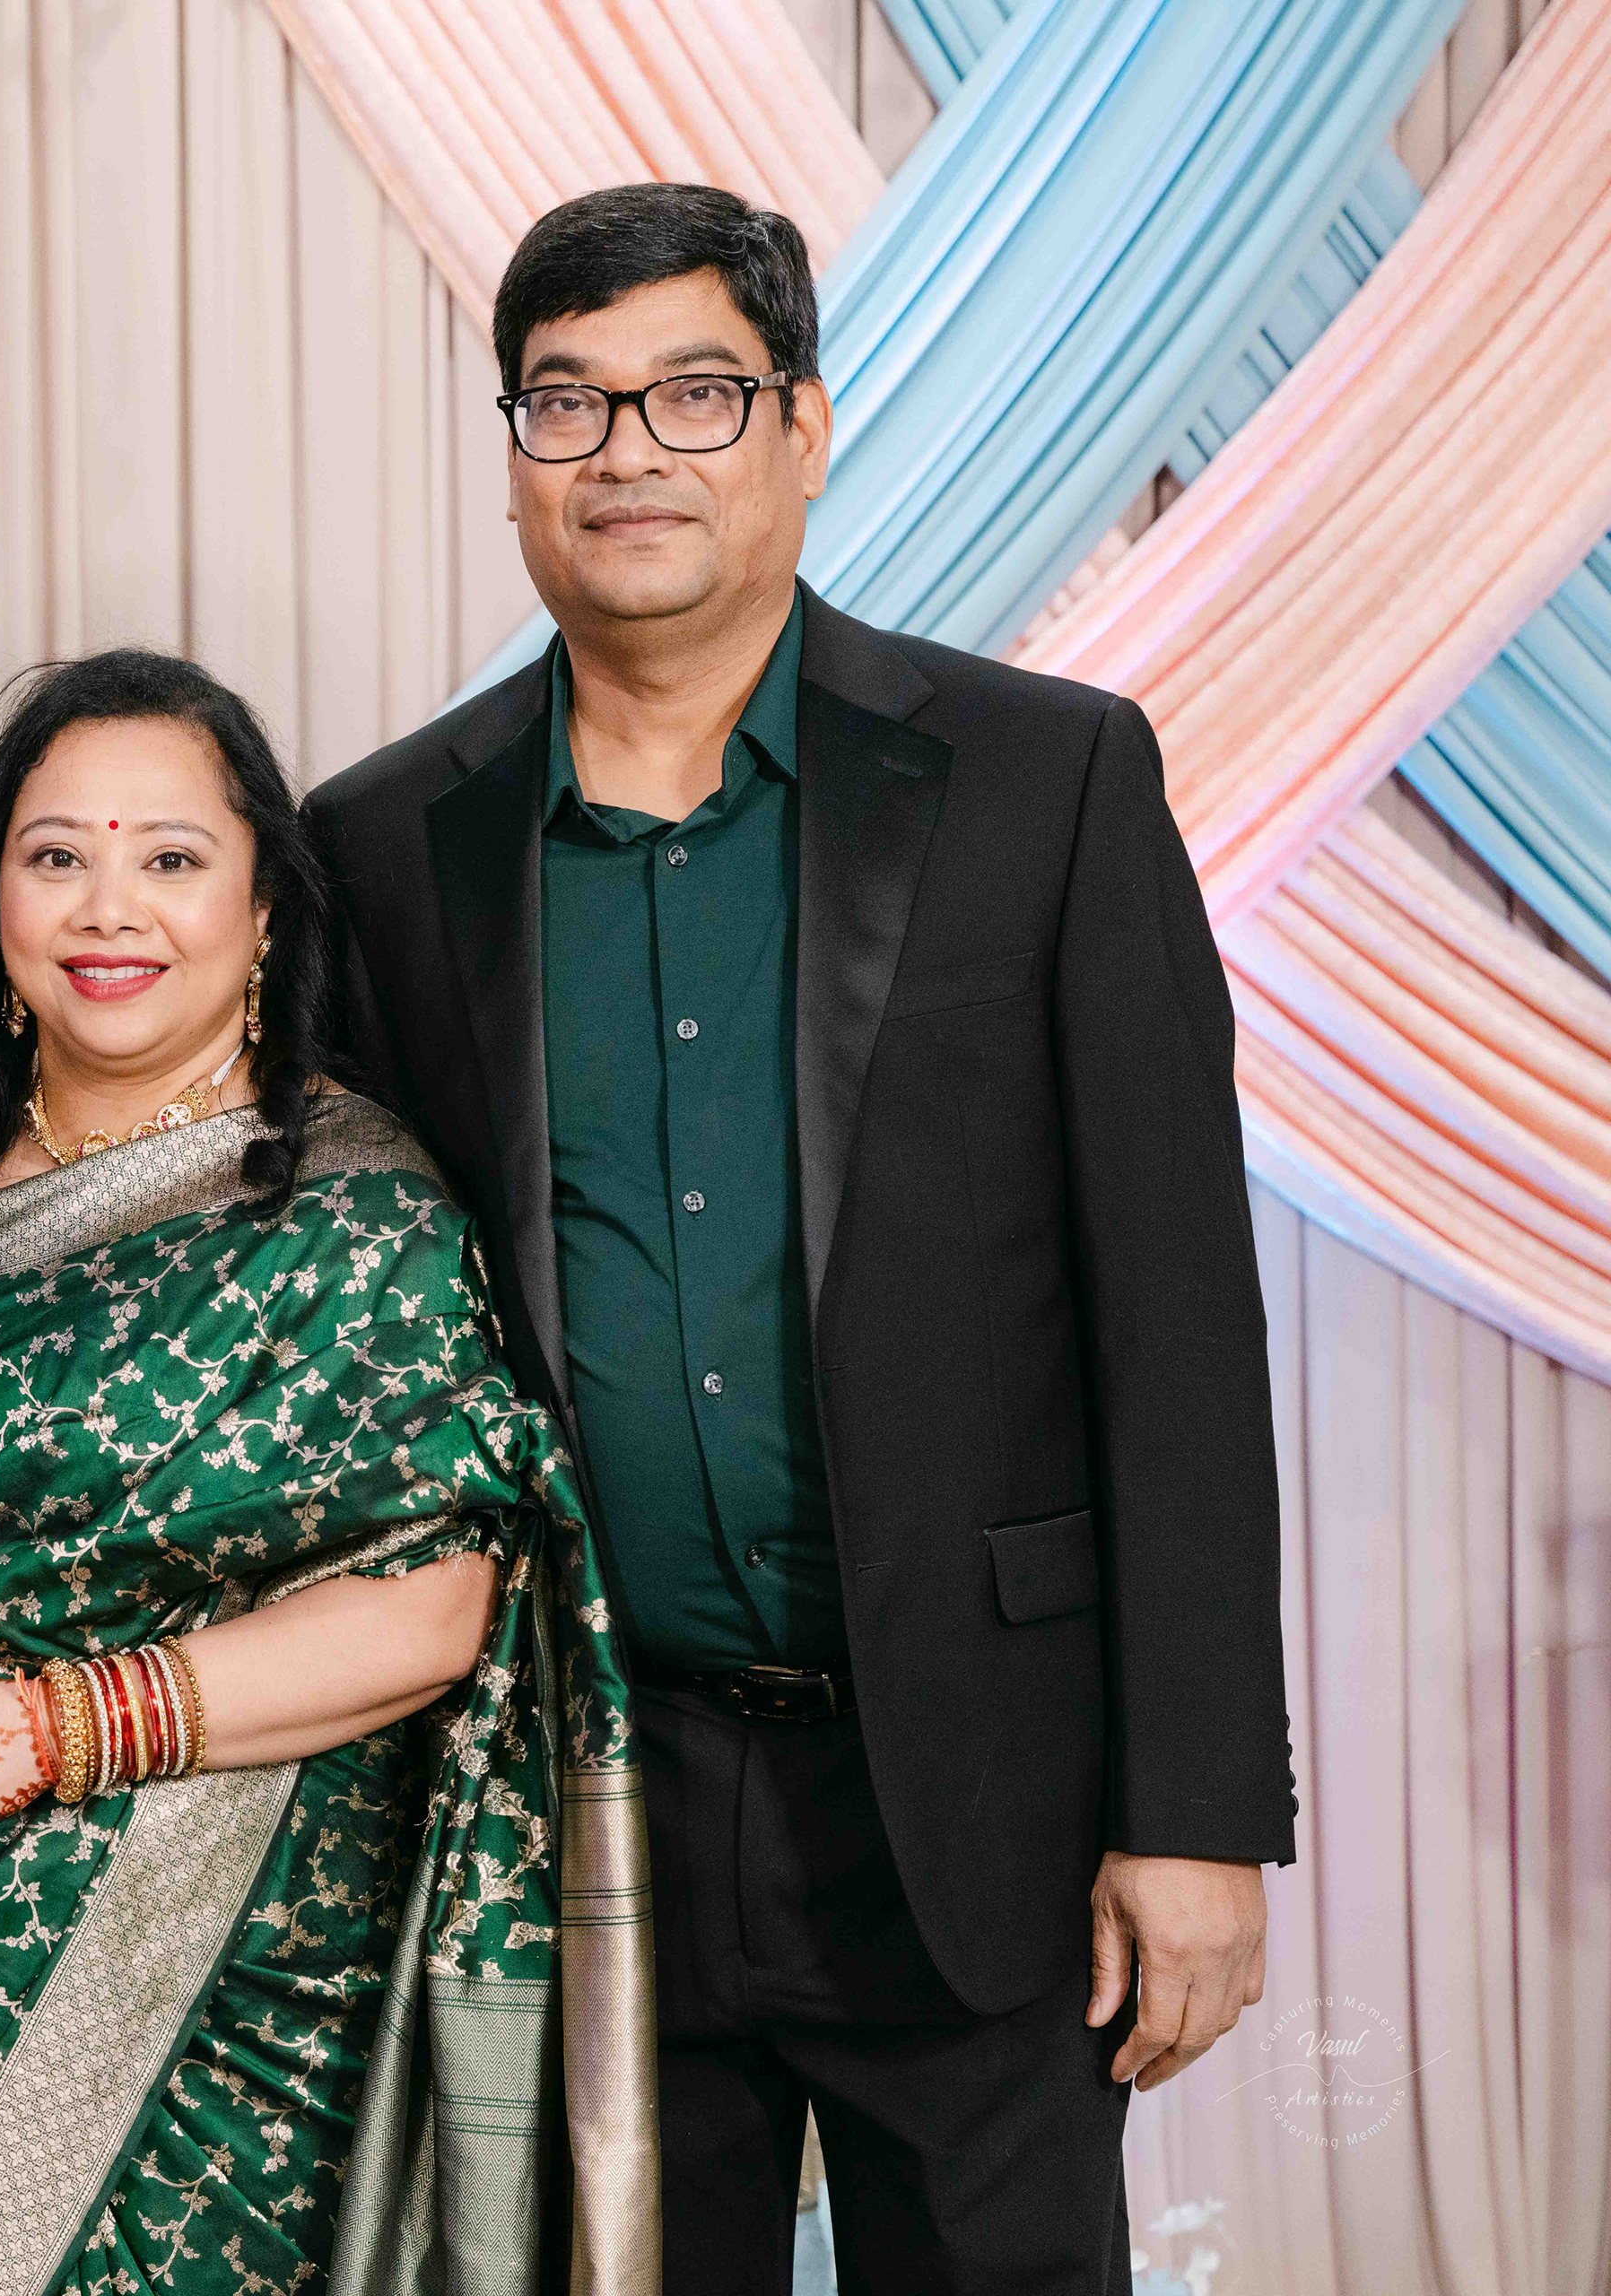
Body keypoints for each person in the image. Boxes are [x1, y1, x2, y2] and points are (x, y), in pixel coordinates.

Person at [305, 184, 1298, 2291]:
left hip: (978, 1787)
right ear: (513, 454)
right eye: (567, 401)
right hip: (589, 1804)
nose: (628, 452)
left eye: (695, 392)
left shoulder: (1043, 780)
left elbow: (1182, 1319)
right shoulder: (386, 842)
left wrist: (1199, 1805)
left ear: (806, 427)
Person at [0, 648, 657, 2296]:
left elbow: (433, 1607)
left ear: (264, 910)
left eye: (172, 858)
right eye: (57, 855)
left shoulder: (356, 1213)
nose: (107, 907)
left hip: (211, 1995)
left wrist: (56, 1730)